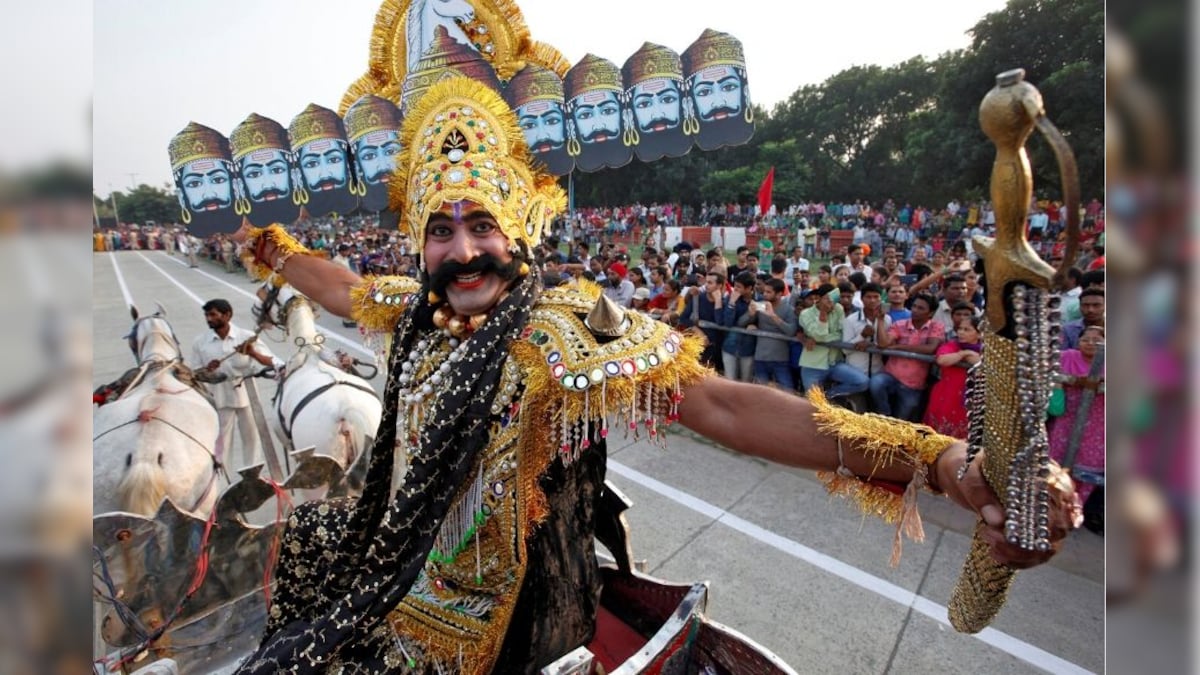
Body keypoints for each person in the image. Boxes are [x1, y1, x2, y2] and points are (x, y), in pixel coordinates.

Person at [232, 78, 1077, 673]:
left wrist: (940, 462)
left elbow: (725, 406)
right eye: (441, 230)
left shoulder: (560, 330)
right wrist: (272, 247)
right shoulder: (416, 308)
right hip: (397, 578)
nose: (462, 250)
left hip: (485, 637)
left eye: (481, 224)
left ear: (519, 230)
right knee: (300, 547)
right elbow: (341, 287)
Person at [189, 298, 282, 470]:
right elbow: (194, 374)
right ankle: (225, 479)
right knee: (222, 440)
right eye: (207, 315)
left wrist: (252, 353)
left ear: (227, 315)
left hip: (247, 394)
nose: (209, 319)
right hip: (220, 396)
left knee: (252, 438)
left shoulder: (246, 337)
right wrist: (207, 370)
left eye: (213, 315)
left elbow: (273, 361)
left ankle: (253, 475)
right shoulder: (200, 343)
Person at [1049, 326, 1105, 504]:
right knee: (1055, 465)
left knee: (1087, 469)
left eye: (1097, 341)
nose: (1090, 344)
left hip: (1098, 424)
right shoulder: (1066, 357)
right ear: (1078, 342)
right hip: (1067, 417)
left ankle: (1075, 508)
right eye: (1085, 340)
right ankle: (1052, 506)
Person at [870, 293, 945, 421]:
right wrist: (881, 320)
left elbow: (930, 349)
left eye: (921, 308)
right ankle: (884, 416)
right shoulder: (900, 324)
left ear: (930, 313)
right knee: (876, 383)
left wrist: (899, 347)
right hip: (891, 375)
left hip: (914, 383)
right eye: (914, 306)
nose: (915, 310)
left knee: (903, 418)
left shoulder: (936, 327)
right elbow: (883, 344)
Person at [922, 316, 982, 438]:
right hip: (946, 396)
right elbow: (942, 360)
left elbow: (985, 364)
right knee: (937, 438)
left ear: (980, 334)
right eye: (960, 329)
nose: (961, 332)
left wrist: (967, 356)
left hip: (971, 400)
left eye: (967, 329)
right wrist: (963, 353)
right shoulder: (952, 346)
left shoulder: (986, 350)